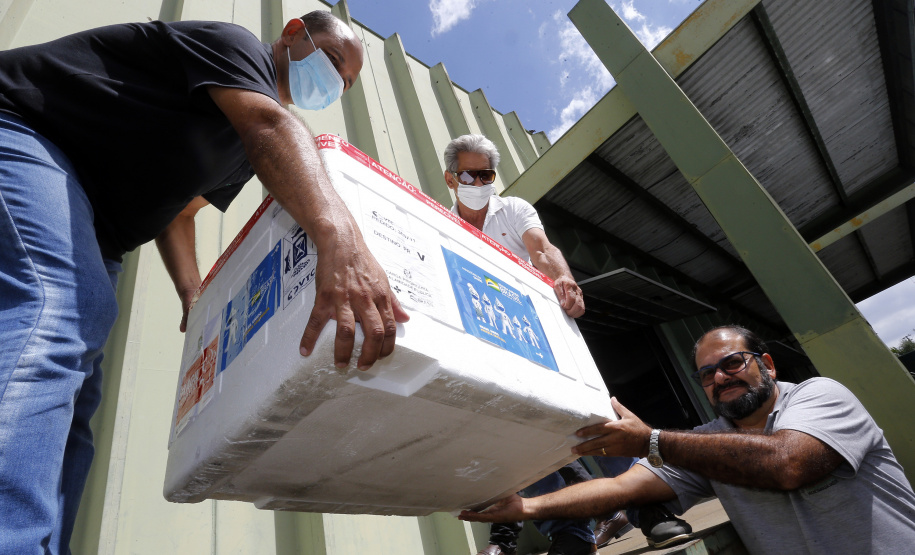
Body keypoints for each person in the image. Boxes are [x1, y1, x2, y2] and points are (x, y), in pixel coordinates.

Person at [0, 11, 409, 553]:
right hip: (27, 131)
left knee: (76, 396)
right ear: (292, 33)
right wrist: (343, 241)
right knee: (62, 310)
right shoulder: (235, 47)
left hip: (99, 228)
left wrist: (193, 294)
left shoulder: (238, 149)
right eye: (333, 61)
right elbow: (273, 126)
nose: (335, 82)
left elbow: (181, 211)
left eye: (346, 82)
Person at [460, 325, 915, 554]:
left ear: (768, 365)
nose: (720, 378)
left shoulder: (821, 396)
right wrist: (528, 508)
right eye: (707, 374)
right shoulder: (709, 443)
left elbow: (788, 463)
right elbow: (619, 487)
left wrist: (652, 440)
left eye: (733, 363)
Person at [444, 134, 629, 555]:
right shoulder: (442, 221)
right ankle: (571, 531)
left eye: (486, 175)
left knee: (588, 412)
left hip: (535, 332)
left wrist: (563, 279)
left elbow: (542, 250)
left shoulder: (513, 209)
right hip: (488, 342)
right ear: (451, 179)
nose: (479, 182)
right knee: (513, 431)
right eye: (469, 175)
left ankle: (646, 504)